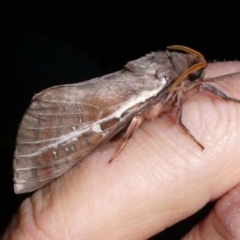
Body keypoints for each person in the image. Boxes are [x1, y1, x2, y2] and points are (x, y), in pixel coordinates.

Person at [3, 62, 240, 239]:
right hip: (114, 105)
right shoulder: (164, 85)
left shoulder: (185, 83)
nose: (199, 80)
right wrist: (182, 127)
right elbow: (140, 115)